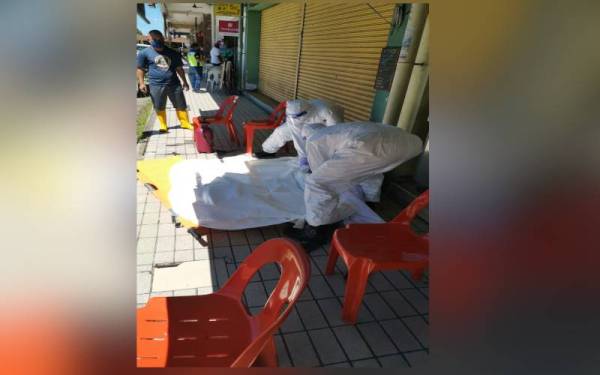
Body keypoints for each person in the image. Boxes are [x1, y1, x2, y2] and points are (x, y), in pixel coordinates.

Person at [286, 121, 424, 251]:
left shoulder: (314, 140)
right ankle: (370, 201)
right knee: (370, 169)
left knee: (316, 184)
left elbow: (321, 175)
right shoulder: (340, 130)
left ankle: (317, 230)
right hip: (410, 143)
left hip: (372, 145)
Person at [259, 99, 344, 169]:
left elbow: (334, 133)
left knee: (317, 138)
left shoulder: (327, 111)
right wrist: (303, 157)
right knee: (281, 132)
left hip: (324, 124)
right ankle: (268, 150)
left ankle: (324, 160)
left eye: (296, 118)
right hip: (305, 121)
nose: (293, 120)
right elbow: (296, 135)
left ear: (305, 112)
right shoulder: (293, 116)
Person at [137, 30, 193, 133]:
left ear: (162, 39)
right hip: (156, 85)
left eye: (159, 38)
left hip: (174, 84)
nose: (157, 41)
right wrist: (141, 83)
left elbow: (179, 68)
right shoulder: (144, 53)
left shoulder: (173, 52)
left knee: (180, 104)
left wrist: (185, 81)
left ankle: (185, 123)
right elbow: (140, 69)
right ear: (149, 40)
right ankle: (163, 125)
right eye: (153, 39)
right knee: (159, 105)